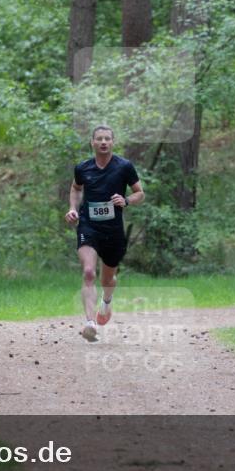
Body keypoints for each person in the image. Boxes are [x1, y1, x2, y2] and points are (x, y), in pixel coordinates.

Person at [64, 126, 144, 341]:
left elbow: (140, 193)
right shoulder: (82, 168)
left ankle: (106, 303)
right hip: (89, 226)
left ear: (112, 142)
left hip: (113, 230)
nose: (103, 142)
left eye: (107, 138)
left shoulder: (124, 166)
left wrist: (126, 200)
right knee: (89, 272)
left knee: (108, 278)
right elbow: (76, 188)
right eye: (99, 139)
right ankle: (90, 323)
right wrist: (72, 208)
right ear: (92, 142)